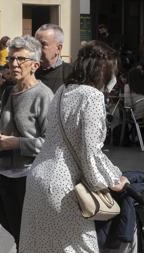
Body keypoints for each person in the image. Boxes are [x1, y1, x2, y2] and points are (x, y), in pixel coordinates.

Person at [18, 41, 129, 253]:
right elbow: (90, 152)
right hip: (64, 187)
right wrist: (113, 180)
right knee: (78, 248)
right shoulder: (93, 96)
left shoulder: (63, 90)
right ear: (103, 69)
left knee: (39, 246)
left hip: (38, 178)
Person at [0, 36, 53, 250]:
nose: (14, 64)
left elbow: (51, 143)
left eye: (20, 59)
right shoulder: (10, 91)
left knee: (29, 240)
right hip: (7, 175)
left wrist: (16, 143)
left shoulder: (43, 95)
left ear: (35, 65)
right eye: (11, 58)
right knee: (20, 238)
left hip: (30, 177)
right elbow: (8, 129)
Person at [34, 23, 73, 93]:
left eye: (43, 44)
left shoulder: (71, 73)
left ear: (58, 48)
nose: (37, 48)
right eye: (36, 44)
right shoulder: (31, 72)